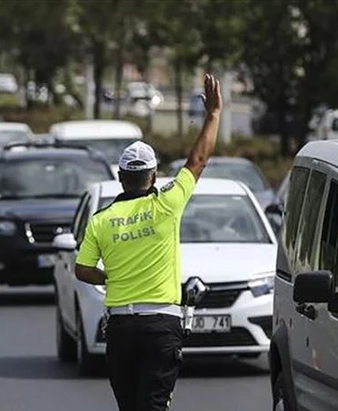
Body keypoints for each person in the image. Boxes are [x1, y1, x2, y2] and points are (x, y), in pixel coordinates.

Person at [74, 74, 222, 411]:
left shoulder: (101, 220)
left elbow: (83, 270)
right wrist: (213, 115)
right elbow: (197, 160)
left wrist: (110, 277)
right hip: (161, 326)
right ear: (153, 176)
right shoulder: (167, 205)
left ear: (120, 177)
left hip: (121, 329)